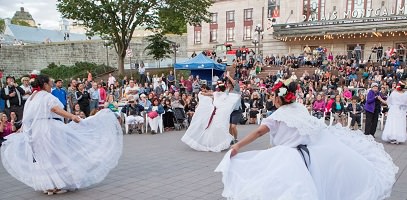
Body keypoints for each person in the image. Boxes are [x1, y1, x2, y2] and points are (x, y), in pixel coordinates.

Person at [215, 80, 398, 200]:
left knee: (285, 187)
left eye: (273, 96)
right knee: (306, 185)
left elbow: (257, 133)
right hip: (309, 154)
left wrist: (238, 145)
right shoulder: (299, 108)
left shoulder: (277, 116)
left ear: (278, 100)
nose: (271, 98)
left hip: (288, 156)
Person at [1, 75, 122, 195]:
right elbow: (55, 109)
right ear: (44, 85)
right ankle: (57, 185)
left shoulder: (32, 97)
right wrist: (72, 116)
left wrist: (24, 129)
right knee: (56, 154)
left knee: (44, 156)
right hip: (49, 127)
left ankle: (48, 186)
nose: (51, 85)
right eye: (50, 83)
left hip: (36, 129)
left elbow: (27, 116)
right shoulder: (46, 96)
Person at [181, 82, 240, 152]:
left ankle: (216, 142)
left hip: (217, 113)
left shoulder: (217, 94)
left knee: (215, 128)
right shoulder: (225, 95)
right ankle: (221, 142)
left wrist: (201, 93)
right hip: (220, 114)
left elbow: (206, 94)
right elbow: (232, 95)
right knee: (219, 128)